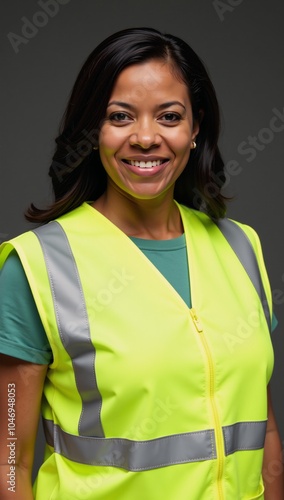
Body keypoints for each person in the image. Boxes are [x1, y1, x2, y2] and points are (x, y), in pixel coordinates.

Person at [0, 27, 282, 500]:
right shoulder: (37, 266)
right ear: (94, 132)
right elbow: (10, 461)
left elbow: (264, 429)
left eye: (169, 116)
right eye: (120, 117)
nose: (146, 137)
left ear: (195, 129)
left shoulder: (241, 247)